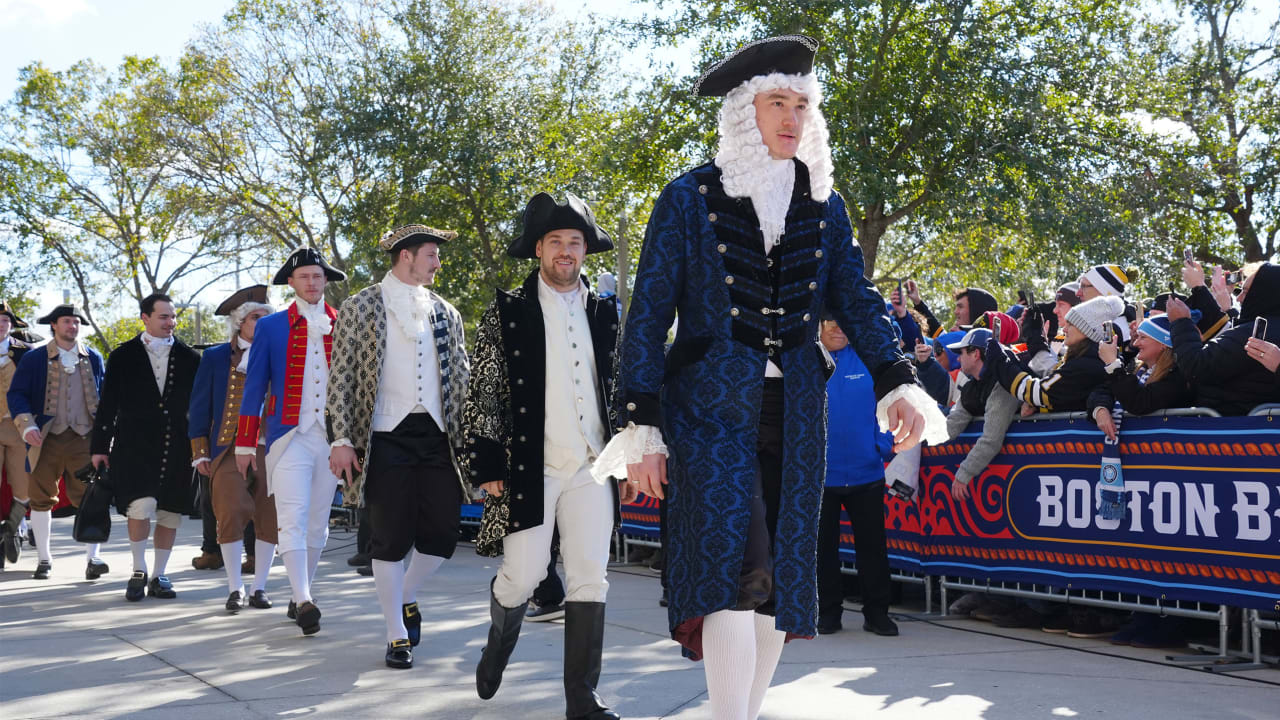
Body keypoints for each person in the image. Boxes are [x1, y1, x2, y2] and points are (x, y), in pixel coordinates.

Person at [607, 36, 943, 720]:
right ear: (745, 111)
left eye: (802, 105)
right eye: (778, 103)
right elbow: (647, 316)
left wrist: (898, 379)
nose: (792, 117)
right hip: (706, 409)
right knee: (735, 569)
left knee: (777, 581)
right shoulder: (687, 197)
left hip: (796, 408)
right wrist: (640, 425)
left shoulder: (825, 204)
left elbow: (858, 300)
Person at [466, 192, 630, 720]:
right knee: (524, 575)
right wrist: (487, 461)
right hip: (529, 468)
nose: (565, 251)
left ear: (585, 250)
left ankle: (582, 700)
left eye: (574, 242)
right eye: (555, 241)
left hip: (592, 465)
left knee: (589, 577)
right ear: (538, 248)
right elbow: (484, 387)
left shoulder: (606, 313)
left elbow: (623, 386)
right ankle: (497, 646)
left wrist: (628, 455)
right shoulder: (508, 311)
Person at [327, 225, 471, 669]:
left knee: (443, 534)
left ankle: (406, 594)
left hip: (437, 434)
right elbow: (341, 375)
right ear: (406, 255)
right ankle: (396, 635)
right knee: (388, 538)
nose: (438, 263)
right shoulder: (361, 305)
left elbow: (462, 377)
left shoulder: (446, 311)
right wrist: (341, 439)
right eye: (431, 254)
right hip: (384, 434)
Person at [236, 247, 345, 635]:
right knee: (292, 516)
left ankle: (302, 592)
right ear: (291, 282)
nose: (312, 282)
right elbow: (254, 387)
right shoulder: (270, 326)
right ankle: (303, 599)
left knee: (317, 523)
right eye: (304, 277)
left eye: (317, 276)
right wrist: (245, 444)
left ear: (325, 280)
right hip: (287, 435)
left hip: (332, 439)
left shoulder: (344, 322)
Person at [91, 294, 200, 601]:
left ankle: (159, 574)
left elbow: (200, 407)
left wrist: (201, 447)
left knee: (170, 512)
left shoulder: (191, 358)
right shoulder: (122, 355)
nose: (171, 322)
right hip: (134, 446)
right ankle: (138, 570)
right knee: (139, 506)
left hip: (177, 446)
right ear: (145, 318)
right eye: (164, 316)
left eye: (173, 316)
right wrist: (99, 447)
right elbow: (107, 404)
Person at [189, 286, 278, 612]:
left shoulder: (280, 353)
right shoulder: (215, 357)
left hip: (271, 447)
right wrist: (200, 450)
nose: (262, 322)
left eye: (266, 317)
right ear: (240, 321)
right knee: (229, 513)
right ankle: (235, 587)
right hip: (228, 447)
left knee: (269, 516)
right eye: (256, 317)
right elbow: (200, 405)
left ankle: (259, 587)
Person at [6, 304, 107, 580]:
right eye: (66, 321)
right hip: (46, 437)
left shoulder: (94, 357)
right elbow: (17, 394)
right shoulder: (34, 358)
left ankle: (93, 558)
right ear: (54, 325)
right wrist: (27, 425)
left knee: (90, 496)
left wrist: (105, 435)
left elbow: (105, 397)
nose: (72, 326)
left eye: (76, 322)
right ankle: (44, 559)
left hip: (84, 438)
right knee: (40, 499)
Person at [814, 316, 896, 637]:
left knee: (873, 550)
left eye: (843, 321)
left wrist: (881, 446)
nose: (838, 327)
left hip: (867, 474)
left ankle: (877, 614)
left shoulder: (867, 357)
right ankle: (827, 613)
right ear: (819, 324)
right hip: (821, 477)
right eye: (830, 321)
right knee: (823, 551)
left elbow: (890, 403)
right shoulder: (806, 360)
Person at [1169, 263, 1280, 415]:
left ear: (1264, 294)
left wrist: (1181, 323)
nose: (1239, 298)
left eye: (1246, 292)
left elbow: (1196, 366)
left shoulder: (1251, 334)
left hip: (1230, 424)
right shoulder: (1255, 329)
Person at [986, 295, 1122, 415]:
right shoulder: (1086, 359)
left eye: (1071, 324)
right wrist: (1031, 340)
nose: (1064, 329)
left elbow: (1035, 392)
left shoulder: (1086, 364)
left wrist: (1000, 359)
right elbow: (1052, 381)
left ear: (1086, 331)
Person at [942, 328, 1020, 500]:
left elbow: (991, 440)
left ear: (976, 354)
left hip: (1017, 484)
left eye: (961, 353)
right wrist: (918, 433)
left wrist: (963, 474)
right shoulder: (971, 387)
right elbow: (949, 428)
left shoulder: (1003, 384)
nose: (958, 359)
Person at [1088, 315, 1194, 438]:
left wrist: (1113, 364)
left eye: (1143, 337)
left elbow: (1139, 402)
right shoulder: (1136, 368)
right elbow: (1104, 389)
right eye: (1137, 337)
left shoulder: (1177, 376)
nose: (1136, 343)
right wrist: (1101, 409)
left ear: (1163, 344)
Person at [0, 302, 34, 568]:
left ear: (11, 325)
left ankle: (11, 528)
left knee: (24, 489)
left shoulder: (26, 353)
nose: (0, 324)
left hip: (17, 426)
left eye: (4, 320)